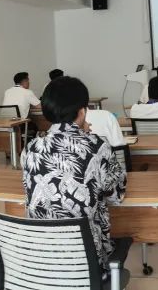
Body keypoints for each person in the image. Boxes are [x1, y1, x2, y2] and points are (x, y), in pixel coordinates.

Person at [23, 75, 127, 277]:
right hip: (86, 263)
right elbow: (116, 195)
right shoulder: (97, 146)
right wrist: (86, 136)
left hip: (41, 260)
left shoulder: (31, 148)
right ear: (82, 111)